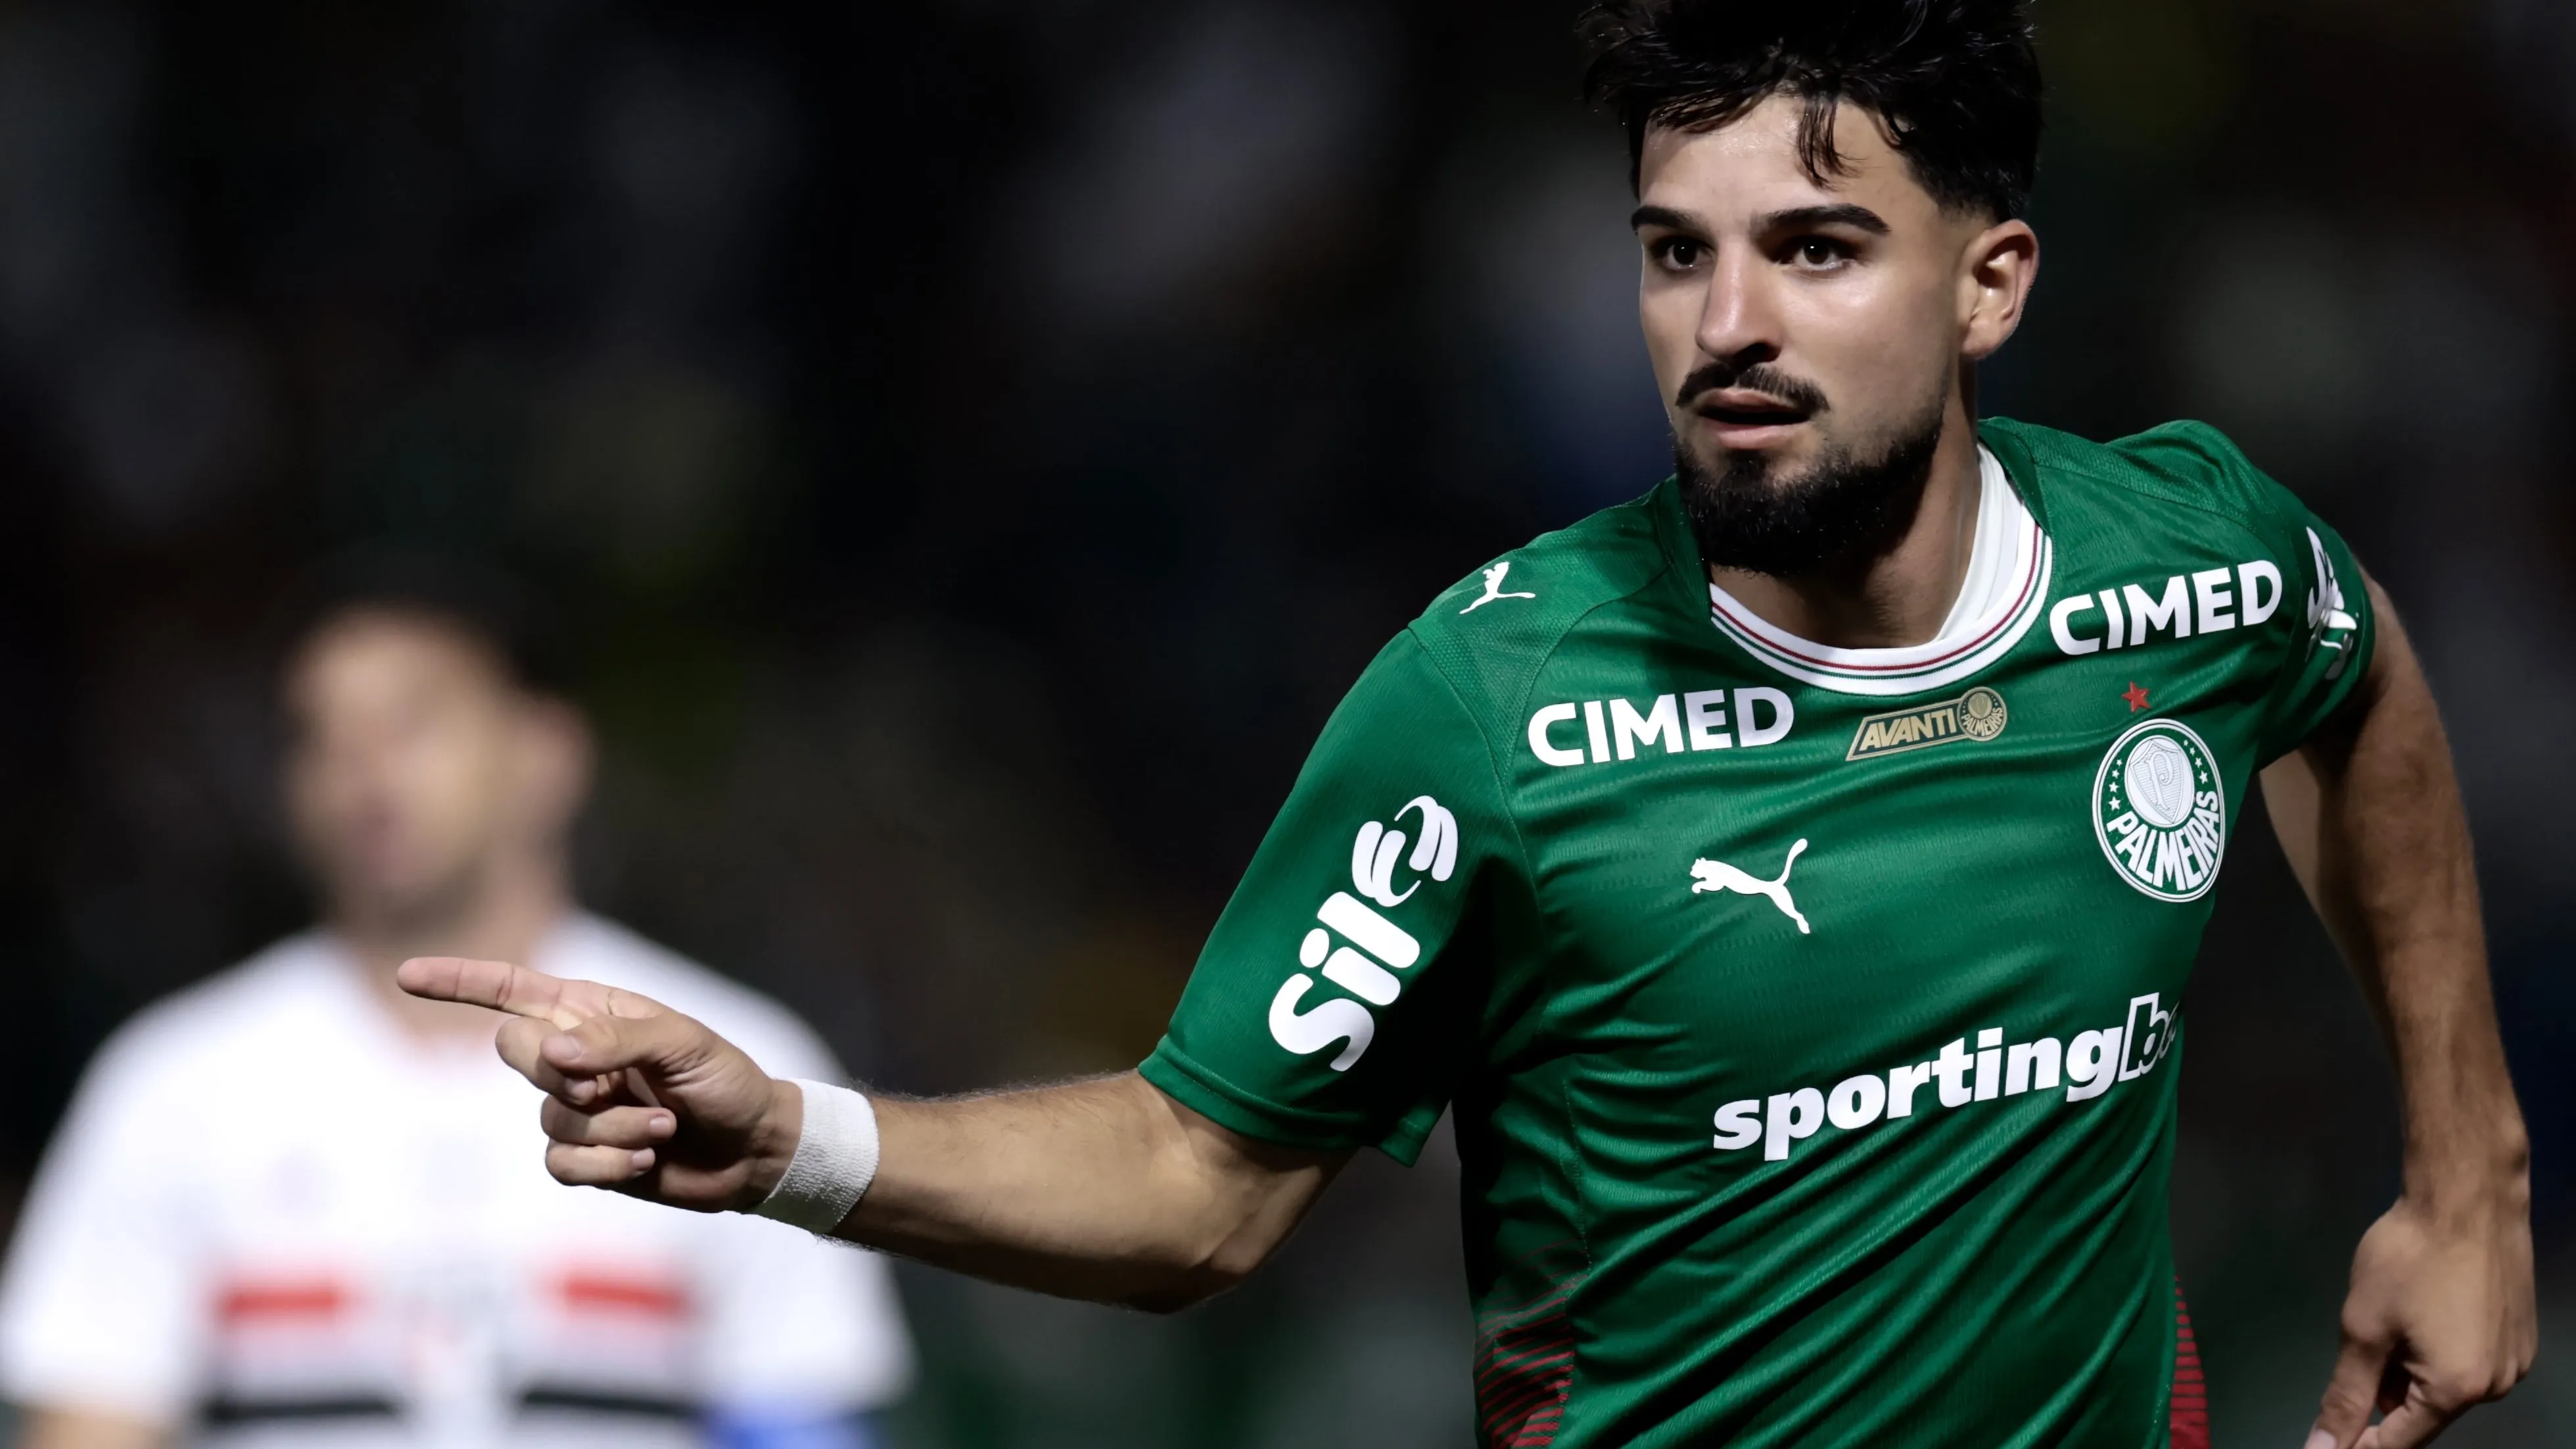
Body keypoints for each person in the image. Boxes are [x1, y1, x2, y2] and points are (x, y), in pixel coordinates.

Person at [398, 3, 2535, 1446]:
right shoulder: (1492, 701)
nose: (1726, 328)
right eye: (1669, 255)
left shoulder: (2184, 554)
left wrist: (2466, 1172)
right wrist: (793, 1140)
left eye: (1810, 249)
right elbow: (1194, 1181)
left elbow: (2345, 683)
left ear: (1987, 282)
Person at [0, 565, 913, 1449]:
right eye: (321, 734)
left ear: (548, 753)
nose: (364, 771)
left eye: (411, 721)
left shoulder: (728, 1064)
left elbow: (798, 1423)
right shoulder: (173, 1085)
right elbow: (91, 1424)